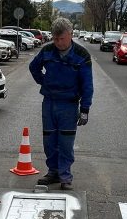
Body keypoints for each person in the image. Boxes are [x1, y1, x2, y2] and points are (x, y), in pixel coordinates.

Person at [28, 18, 93, 190]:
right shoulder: (48, 51)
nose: (58, 43)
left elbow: (87, 85)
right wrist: (44, 81)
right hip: (49, 102)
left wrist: (85, 109)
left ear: (70, 35)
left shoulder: (82, 55)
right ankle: (53, 172)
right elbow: (33, 67)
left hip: (69, 105)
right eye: (55, 39)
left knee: (65, 141)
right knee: (49, 140)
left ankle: (65, 176)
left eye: (61, 39)